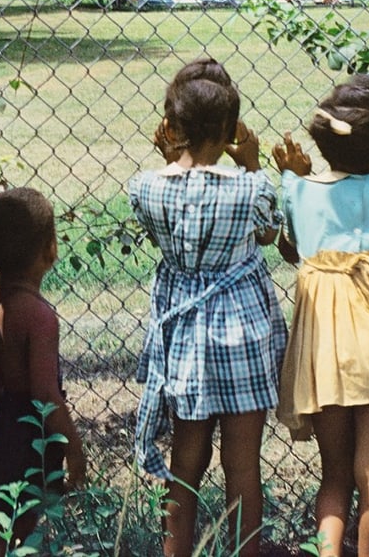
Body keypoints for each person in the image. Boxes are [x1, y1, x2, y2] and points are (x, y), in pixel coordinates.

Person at [130, 58, 288, 557]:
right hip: (243, 331)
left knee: (186, 459)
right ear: (230, 131)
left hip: (186, 338)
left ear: (170, 128)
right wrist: (252, 164)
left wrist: (170, 153)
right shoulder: (251, 188)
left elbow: (166, 218)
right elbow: (267, 233)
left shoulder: (146, 188)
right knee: (243, 465)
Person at [275, 75, 369, 557]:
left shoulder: (298, 192)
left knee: (333, 474)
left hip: (323, 351)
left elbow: (291, 241)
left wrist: (291, 174)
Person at [0, 186, 87, 556]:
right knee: (23, 526)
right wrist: (74, 446)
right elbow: (44, 393)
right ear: (50, 250)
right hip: (23, 434)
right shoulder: (40, 317)